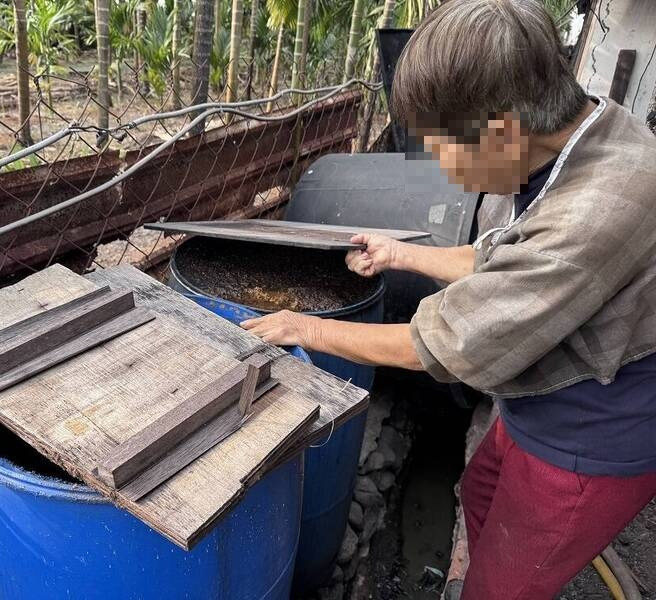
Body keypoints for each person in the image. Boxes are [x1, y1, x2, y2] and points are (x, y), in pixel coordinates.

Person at [240, 1, 656, 598]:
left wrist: (304, 329)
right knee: (479, 494)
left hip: (589, 435)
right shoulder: (584, 134)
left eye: (443, 148)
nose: (438, 166)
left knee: (503, 586)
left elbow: (443, 342)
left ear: (503, 129)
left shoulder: (597, 212)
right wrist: (401, 253)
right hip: (538, 396)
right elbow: (505, 260)